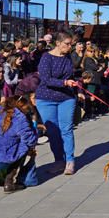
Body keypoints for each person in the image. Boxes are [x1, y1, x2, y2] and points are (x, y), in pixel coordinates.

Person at [35, 31, 78, 176]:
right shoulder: (46, 58)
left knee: (66, 129)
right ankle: (59, 160)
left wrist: (75, 84)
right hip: (46, 98)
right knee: (53, 132)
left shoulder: (68, 58)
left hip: (66, 97)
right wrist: (64, 82)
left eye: (71, 44)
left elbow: (71, 75)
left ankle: (70, 161)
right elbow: (46, 79)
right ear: (58, 43)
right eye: (67, 44)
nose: (69, 47)